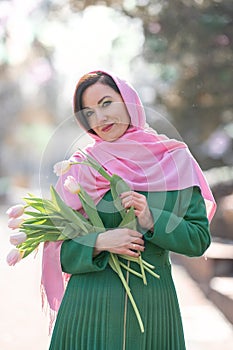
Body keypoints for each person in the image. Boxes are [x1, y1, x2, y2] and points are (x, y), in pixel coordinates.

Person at [42, 70, 216, 349]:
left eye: (106, 103)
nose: (100, 118)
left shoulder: (175, 159)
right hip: (87, 311)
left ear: (128, 101)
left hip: (153, 311)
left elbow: (198, 240)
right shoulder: (82, 168)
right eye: (89, 113)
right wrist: (99, 242)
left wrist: (151, 219)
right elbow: (56, 252)